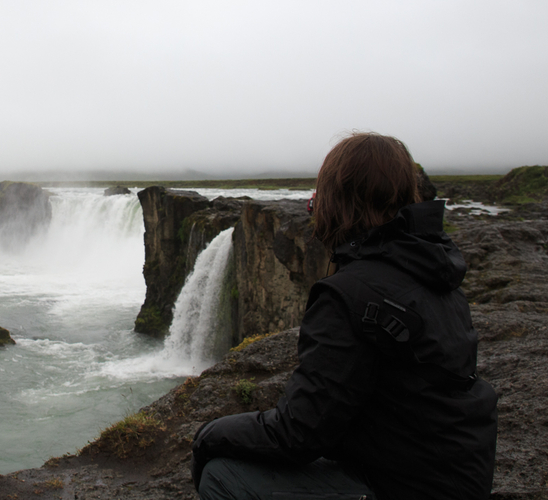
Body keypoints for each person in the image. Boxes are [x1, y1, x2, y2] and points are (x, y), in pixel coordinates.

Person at [190, 132, 498, 500]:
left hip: (406, 484)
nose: (313, 208)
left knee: (221, 475)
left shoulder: (349, 295)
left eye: (317, 199)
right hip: (452, 475)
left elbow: (297, 434)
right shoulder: (436, 270)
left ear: (336, 202)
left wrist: (208, 435)